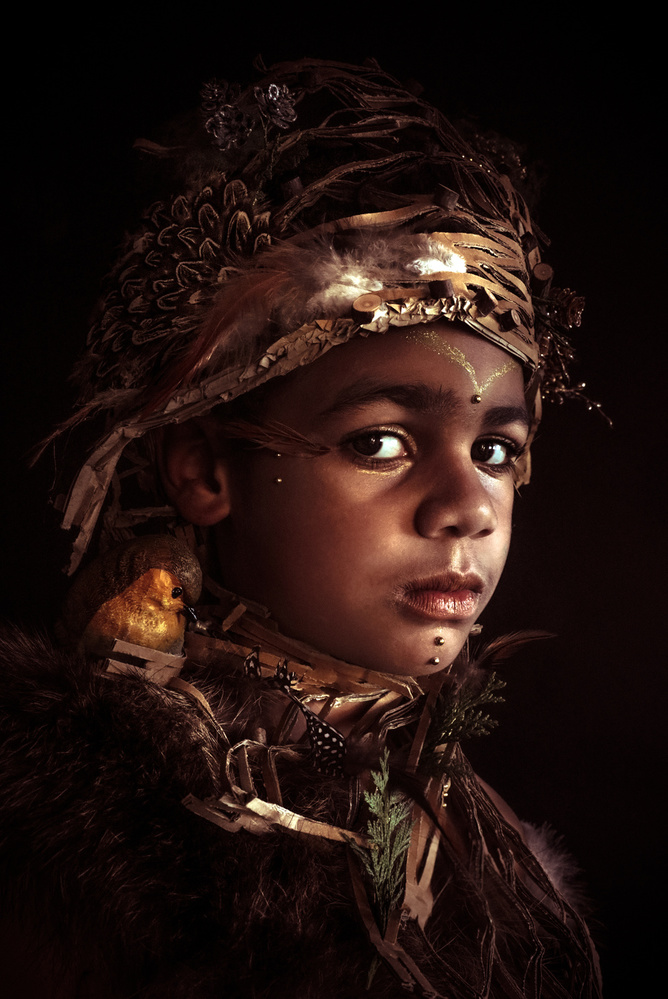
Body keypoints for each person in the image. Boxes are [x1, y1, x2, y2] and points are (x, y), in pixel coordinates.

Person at [0, 58, 602, 997]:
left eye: (495, 450)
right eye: (380, 442)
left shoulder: (475, 835)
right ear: (205, 470)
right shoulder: (77, 860)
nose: (468, 506)